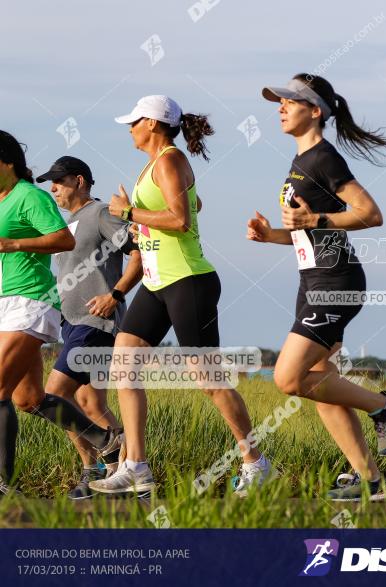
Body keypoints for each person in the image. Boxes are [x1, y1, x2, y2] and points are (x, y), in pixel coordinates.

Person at [89, 96, 273, 496]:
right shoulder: (155, 166)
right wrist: (142, 223)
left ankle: (255, 462)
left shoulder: (170, 159)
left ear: (153, 124)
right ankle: (135, 465)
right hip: (157, 284)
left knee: (208, 381)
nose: (129, 127)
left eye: (134, 121)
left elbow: (180, 218)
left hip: (188, 282)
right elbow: (194, 202)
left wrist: (127, 214)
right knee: (124, 365)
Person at [248, 74, 386, 501]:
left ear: (314, 110)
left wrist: (313, 221)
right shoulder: (301, 162)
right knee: (317, 379)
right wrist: (274, 236)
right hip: (312, 278)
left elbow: (370, 214)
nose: (280, 107)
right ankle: (371, 482)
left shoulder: (322, 158)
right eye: (278, 102)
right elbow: (309, 232)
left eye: (289, 101)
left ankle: (384, 406)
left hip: (335, 281)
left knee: (288, 377)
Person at [0, 131, 120, 496]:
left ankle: (3, 484)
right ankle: (106, 438)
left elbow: (63, 239)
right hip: (5, 303)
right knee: (29, 399)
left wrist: (12, 243)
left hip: (31, 301)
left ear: (5, 162)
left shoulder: (29, 196)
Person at [35, 156, 142, 499]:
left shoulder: (100, 214)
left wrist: (115, 295)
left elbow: (139, 252)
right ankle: (110, 472)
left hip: (97, 323)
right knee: (89, 404)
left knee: (52, 394)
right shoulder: (68, 224)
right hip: (72, 324)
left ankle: (113, 455)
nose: (52, 188)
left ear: (79, 181)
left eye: (58, 181)